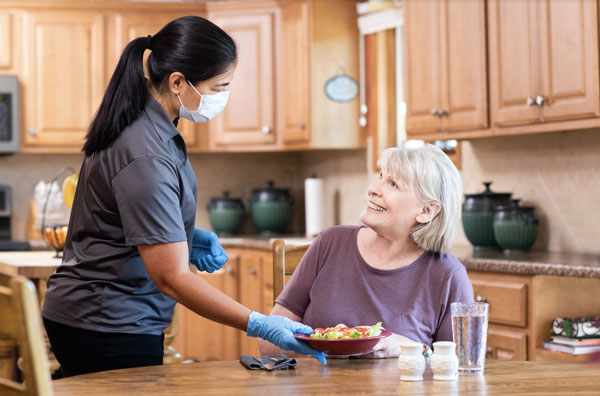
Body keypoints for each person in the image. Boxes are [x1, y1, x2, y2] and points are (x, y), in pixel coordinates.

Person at [41, 16, 325, 378]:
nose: (222, 96)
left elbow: (128, 220)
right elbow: (172, 277)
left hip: (97, 317)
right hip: (108, 322)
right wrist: (259, 323)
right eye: (219, 86)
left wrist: (185, 239)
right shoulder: (146, 152)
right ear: (178, 82)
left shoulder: (146, 124)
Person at [259, 144, 474, 358]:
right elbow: (267, 343)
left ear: (426, 211)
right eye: (380, 175)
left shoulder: (448, 276)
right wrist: (329, 342)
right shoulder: (330, 243)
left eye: (393, 184)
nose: (373, 188)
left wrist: (412, 349)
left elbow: (460, 372)